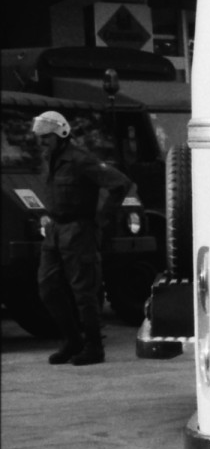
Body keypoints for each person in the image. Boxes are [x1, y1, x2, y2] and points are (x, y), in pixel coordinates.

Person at [32, 110, 131, 365]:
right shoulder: (48, 159)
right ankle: (72, 340)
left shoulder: (80, 159)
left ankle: (94, 348)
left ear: (60, 135)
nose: (41, 142)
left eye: (46, 138)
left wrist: (100, 220)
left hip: (78, 231)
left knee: (84, 292)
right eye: (40, 138)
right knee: (48, 288)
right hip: (54, 230)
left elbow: (119, 184)